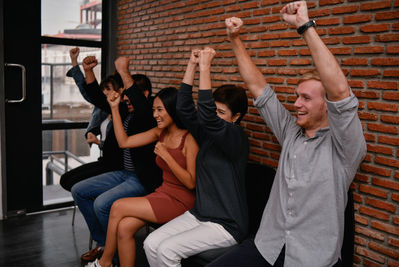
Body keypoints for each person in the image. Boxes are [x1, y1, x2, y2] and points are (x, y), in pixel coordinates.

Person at [207, 2, 367, 267]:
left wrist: (304, 26)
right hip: (268, 245)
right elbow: (258, 87)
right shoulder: (291, 132)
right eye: (296, 96)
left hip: (312, 258)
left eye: (305, 98)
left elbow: (339, 92)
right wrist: (234, 39)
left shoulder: (344, 147)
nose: (296, 104)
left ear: (326, 106)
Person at [143, 47, 249, 267]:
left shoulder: (236, 137)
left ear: (236, 117)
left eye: (222, 113)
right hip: (200, 214)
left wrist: (206, 67)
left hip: (227, 224)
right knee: (151, 243)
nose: (215, 118)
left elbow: (207, 115)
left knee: (167, 251)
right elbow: (183, 108)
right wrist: (192, 65)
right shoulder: (206, 135)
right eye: (215, 111)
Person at [86, 86, 199, 267]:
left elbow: (191, 183)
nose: (155, 115)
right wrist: (115, 108)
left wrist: (167, 157)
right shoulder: (159, 133)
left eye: (160, 110)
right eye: (154, 110)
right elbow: (124, 142)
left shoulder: (189, 139)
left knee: (117, 206)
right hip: (163, 193)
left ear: (173, 109)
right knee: (124, 228)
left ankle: (104, 262)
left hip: (181, 201)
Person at [71, 56, 162, 262]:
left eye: (129, 94)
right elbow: (98, 97)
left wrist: (123, 71)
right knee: (79, 191)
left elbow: (139, 103)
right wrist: (88, 72)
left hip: (141, 178)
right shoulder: (125, 109)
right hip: (123, 173)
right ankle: (104, 244)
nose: (126, 98)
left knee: (102, 204)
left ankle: (114, 257)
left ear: (144, 94)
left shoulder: (148, 115)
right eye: (125, 95)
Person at [60, 47, 113, 191]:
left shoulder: (120, 111)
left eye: (108, 89)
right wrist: (74, 62)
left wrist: (98, 142)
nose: (105, 93)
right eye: (104, 90)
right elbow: (88, 92)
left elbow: (119, 148)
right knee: (66, 180)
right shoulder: (102, 108)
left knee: (76, 186)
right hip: (104, 160)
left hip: (112, 164)